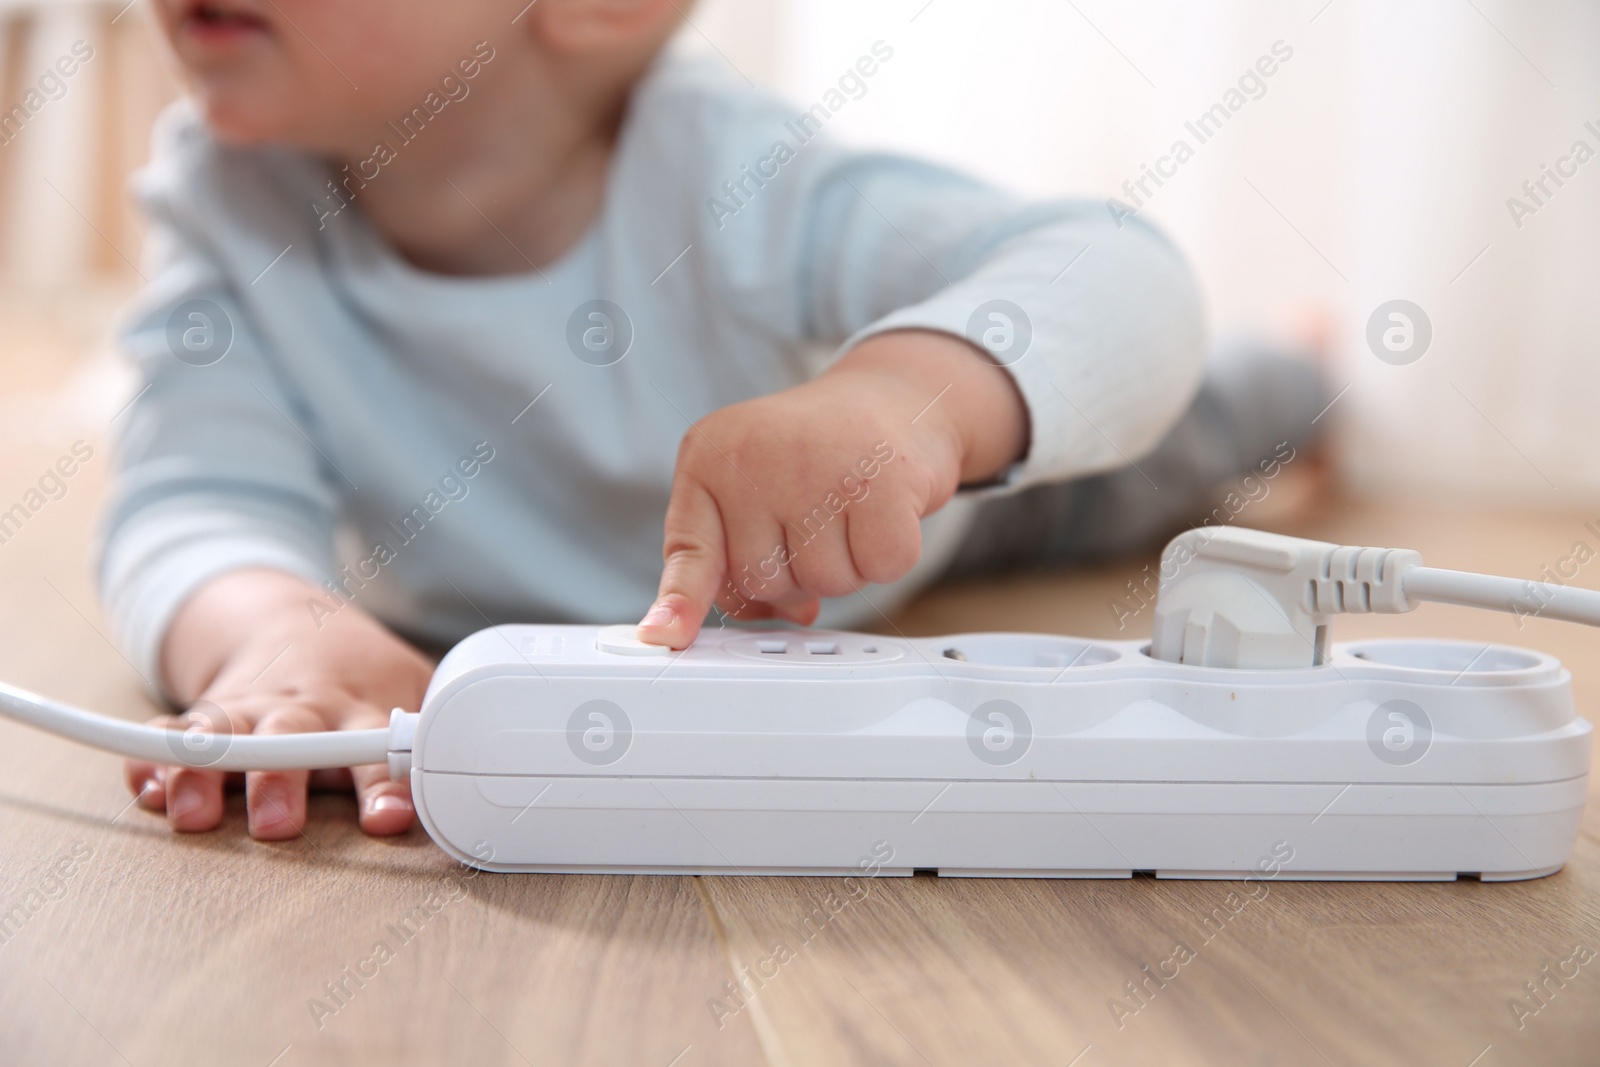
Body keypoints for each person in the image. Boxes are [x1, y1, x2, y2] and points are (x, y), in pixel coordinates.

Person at [104, 0, 1324, 840]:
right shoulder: (222, 203)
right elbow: (193, 489)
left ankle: (1302, 375)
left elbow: (1111, 271)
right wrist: (268, 628)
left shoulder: (734, 174)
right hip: (520, 599)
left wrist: (902, 400)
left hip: (867, 541)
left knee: (1178, 439)